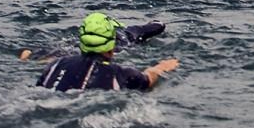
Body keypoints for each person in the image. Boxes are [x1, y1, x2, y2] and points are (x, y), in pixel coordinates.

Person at [36, 13, 178, 92]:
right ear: (111, 48)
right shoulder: (120, 71)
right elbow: (148, 79)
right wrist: (163, 67)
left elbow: (28, 55)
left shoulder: (57, 63)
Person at [20, 19, 166, 62]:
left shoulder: (79, 42)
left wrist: (24, 59)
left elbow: (27, 51)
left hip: (78, 53)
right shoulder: (129, 32)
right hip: (113, 54)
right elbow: (159, 25)